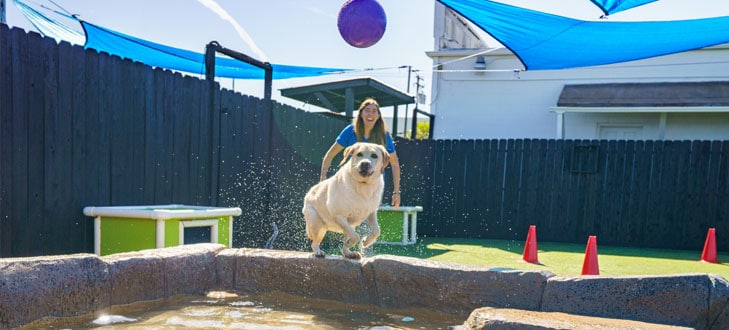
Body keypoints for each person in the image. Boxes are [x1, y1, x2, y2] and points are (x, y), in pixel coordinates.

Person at [320, 98, 401, 208]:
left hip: (373, 185)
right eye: (367, 110)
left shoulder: (384, 136)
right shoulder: (350, 131)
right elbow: (329, 155)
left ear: (378, 116)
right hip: (350, 181)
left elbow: (395, 164)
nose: (370, 114)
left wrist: (396, 192)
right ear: (361, 113)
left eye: (374, 111)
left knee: (364, 217)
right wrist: (323, 179)